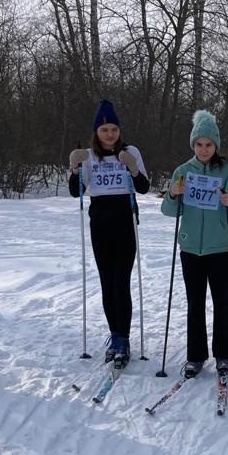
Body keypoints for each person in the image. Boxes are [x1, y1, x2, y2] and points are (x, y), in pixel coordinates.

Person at [160, 110, 228, 378]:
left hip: (221, 248)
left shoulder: (226, 171)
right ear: (193, 145)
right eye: (199, 144)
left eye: (209, 144)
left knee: (222, 302)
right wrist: (173, 194)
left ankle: (223, 354)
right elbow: (169, 210)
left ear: (216, 146)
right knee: (194, 303)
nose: (203, 149)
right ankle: (196, 356)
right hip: (190, 249)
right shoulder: (183, 171)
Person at [68, 100, 151, 368]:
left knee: (121, 281)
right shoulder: (89, 155)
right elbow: (76, 191)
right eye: (104, 129)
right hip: (100, 223)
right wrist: (74, 169)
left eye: (113, 129)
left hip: (125, 222)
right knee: (106, 282)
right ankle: (114, 335)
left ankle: (123, 338)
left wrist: (133, 168)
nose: (110, 134)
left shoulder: (130, 152)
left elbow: (144, 187)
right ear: (96, 131)